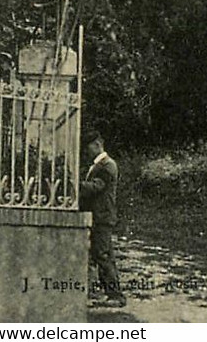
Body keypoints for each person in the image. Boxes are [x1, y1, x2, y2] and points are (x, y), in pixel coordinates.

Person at [79, 131, 127, 307]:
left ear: (98, 145)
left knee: (103, 255)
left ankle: (115, 296)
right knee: (100, 254)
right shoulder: (99, 165)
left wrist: (75, 185)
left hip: (103, 217)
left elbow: (96, 187)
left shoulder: (107, 165)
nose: (86, 151)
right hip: (98, 215)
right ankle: (107, 292)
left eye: (89, 147)